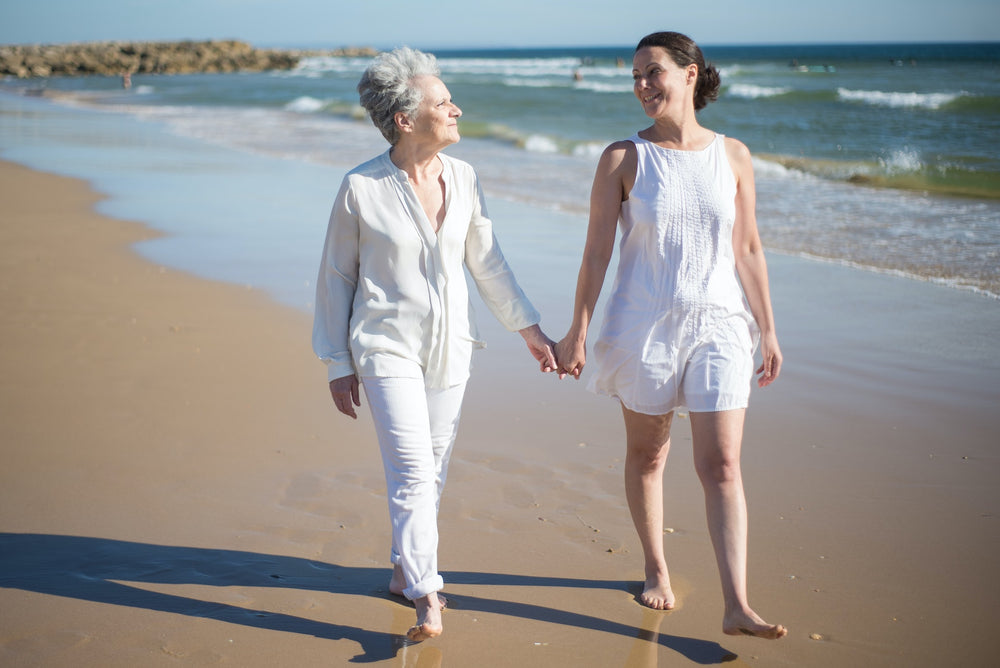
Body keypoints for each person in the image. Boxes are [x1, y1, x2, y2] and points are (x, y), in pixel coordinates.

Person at [313, 47, 557, 642]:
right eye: (444, 102)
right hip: (384, 347)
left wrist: (530, 331)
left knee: (434, 468)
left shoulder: (466, 178)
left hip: (451, 349)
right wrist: (337, 362)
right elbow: (336, 277)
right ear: (405, 119)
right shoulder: (361, 188)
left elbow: (489, 265)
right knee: (415, 473)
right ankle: (427, 594)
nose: (457, 109)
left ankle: (402, 570)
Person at [554, 31, 787, 640]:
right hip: (644, 326)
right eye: (635, 75)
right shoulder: (622, 158)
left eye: (653, 72)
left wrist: (767, 327)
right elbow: (596, 254)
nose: (642, 85)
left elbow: (749, 248)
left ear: (691, 74)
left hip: (719, 325)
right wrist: (577, 330)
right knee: (648, 455)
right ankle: (656, 568)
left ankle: (737, 604)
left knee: (723, 464)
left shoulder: (733, 155)